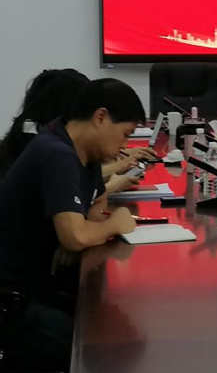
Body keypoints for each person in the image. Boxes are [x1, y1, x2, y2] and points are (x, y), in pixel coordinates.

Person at [0, 78, 144, 372]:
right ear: (100, 117)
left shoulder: (82, 150)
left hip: (39, 284)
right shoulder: (57, 153)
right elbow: (77, 235)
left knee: (105, 320)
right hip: (11, 300)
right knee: (97, 345)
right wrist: (115, 224)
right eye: (125, 134)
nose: (125, 146)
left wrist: (80, 232)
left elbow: (97, 202)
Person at [0, 69, 156, 190]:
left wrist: (116, 154)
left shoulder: (39, 133)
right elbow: (68, 180)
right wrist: (115, 175)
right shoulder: (45, 145)